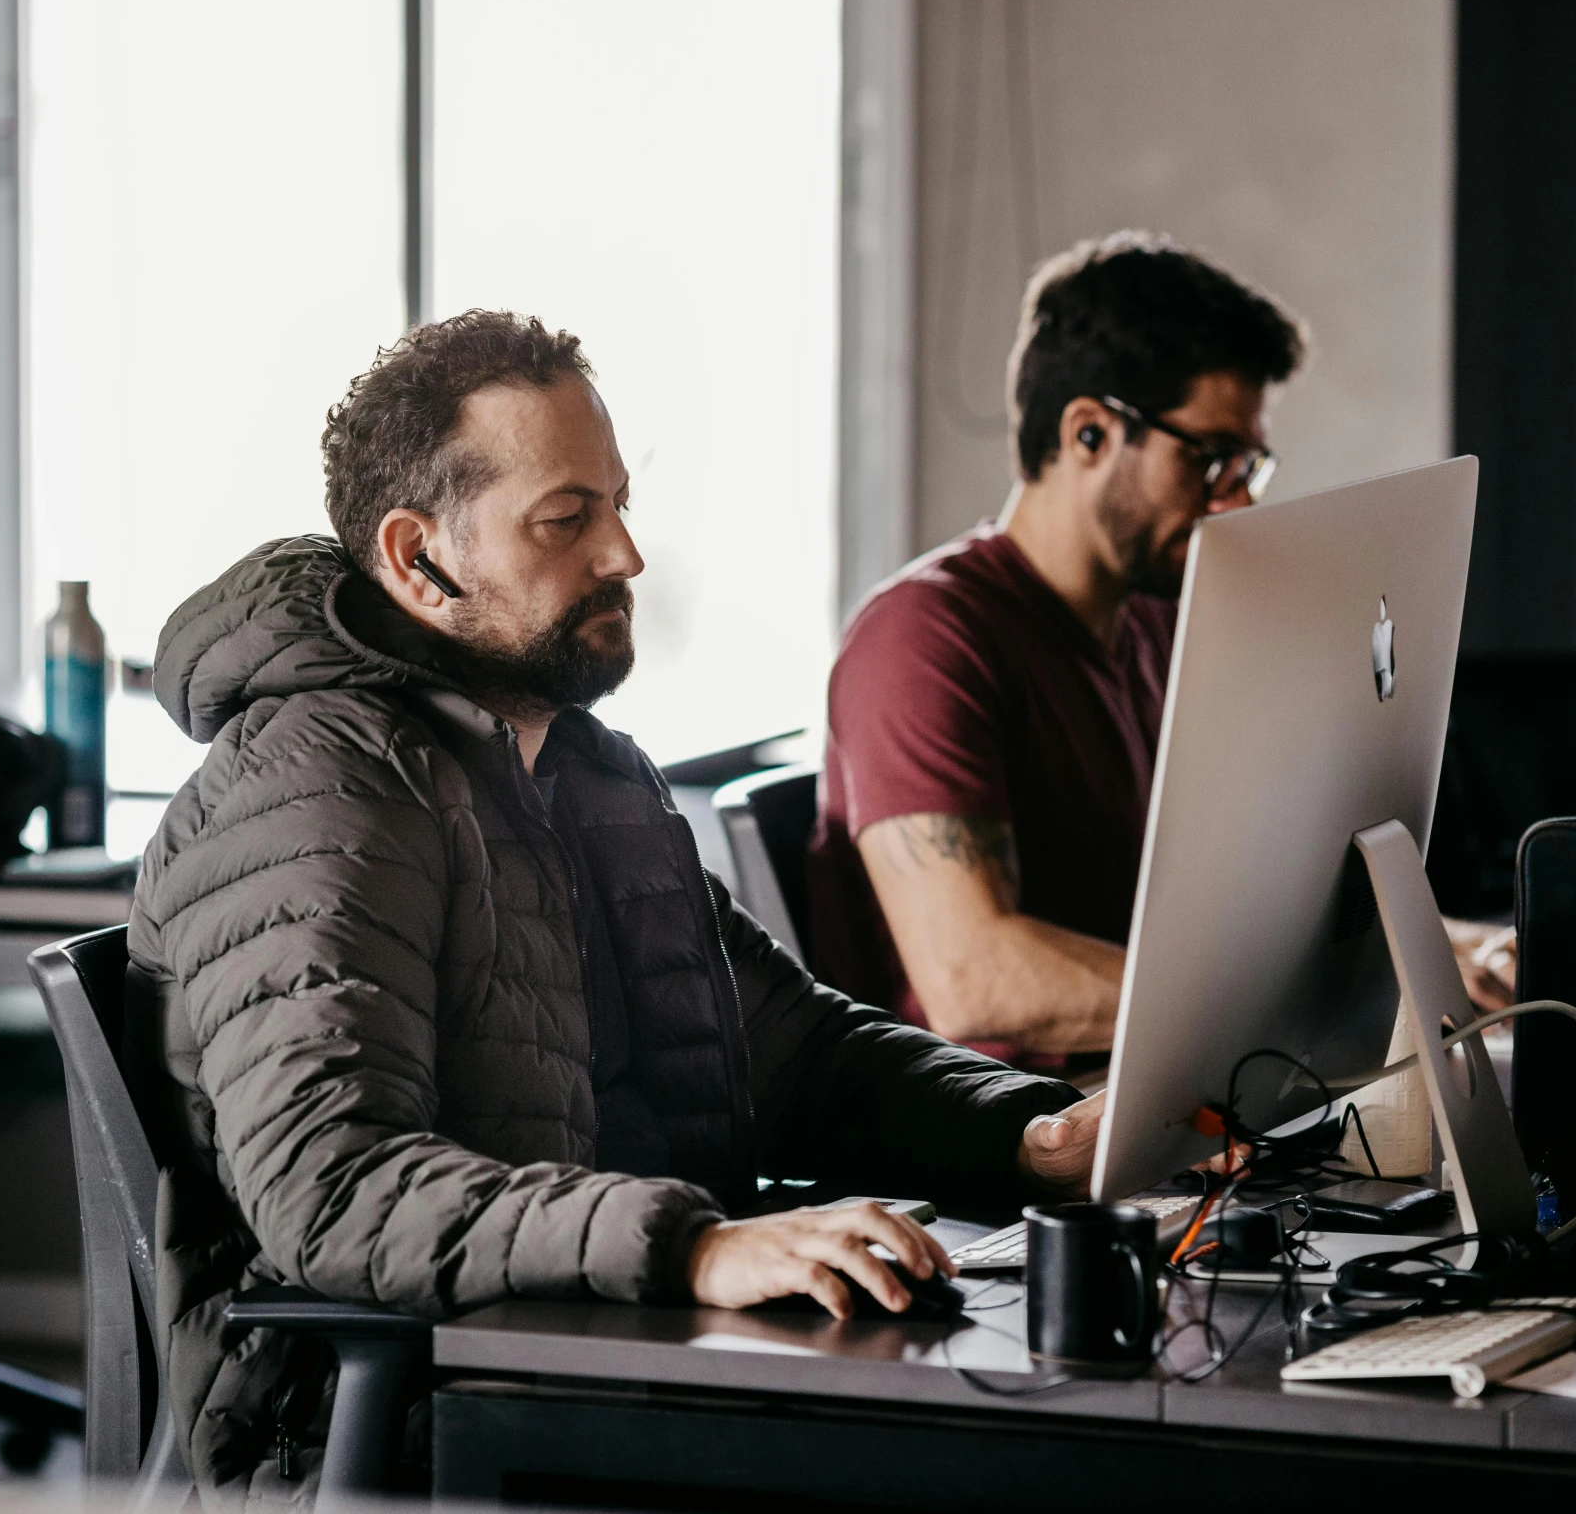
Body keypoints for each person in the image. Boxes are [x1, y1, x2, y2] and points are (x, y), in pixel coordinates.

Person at [127, 310, 1103, 1503]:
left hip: (603, 1364)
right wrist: (691, 1247)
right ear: (417, 555)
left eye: (618, 504)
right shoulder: (318, 785)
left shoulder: (586, 768)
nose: (625, 554)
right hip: (410, 1425)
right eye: (566, 517)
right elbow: (333, 1186)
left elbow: (788, 1053)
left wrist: (1027, 1128)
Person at [808, 232, 1510, 1079]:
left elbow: (1250, 900)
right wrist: (1343, 990)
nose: (1239, 496)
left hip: (1162, 1091)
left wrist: (1447, 944)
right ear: (1090, 432)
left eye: (1251, 462)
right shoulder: (924, 639)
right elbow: (974, 980)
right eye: (1211, 457)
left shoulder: (1156, 622)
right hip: (1012, 1140)